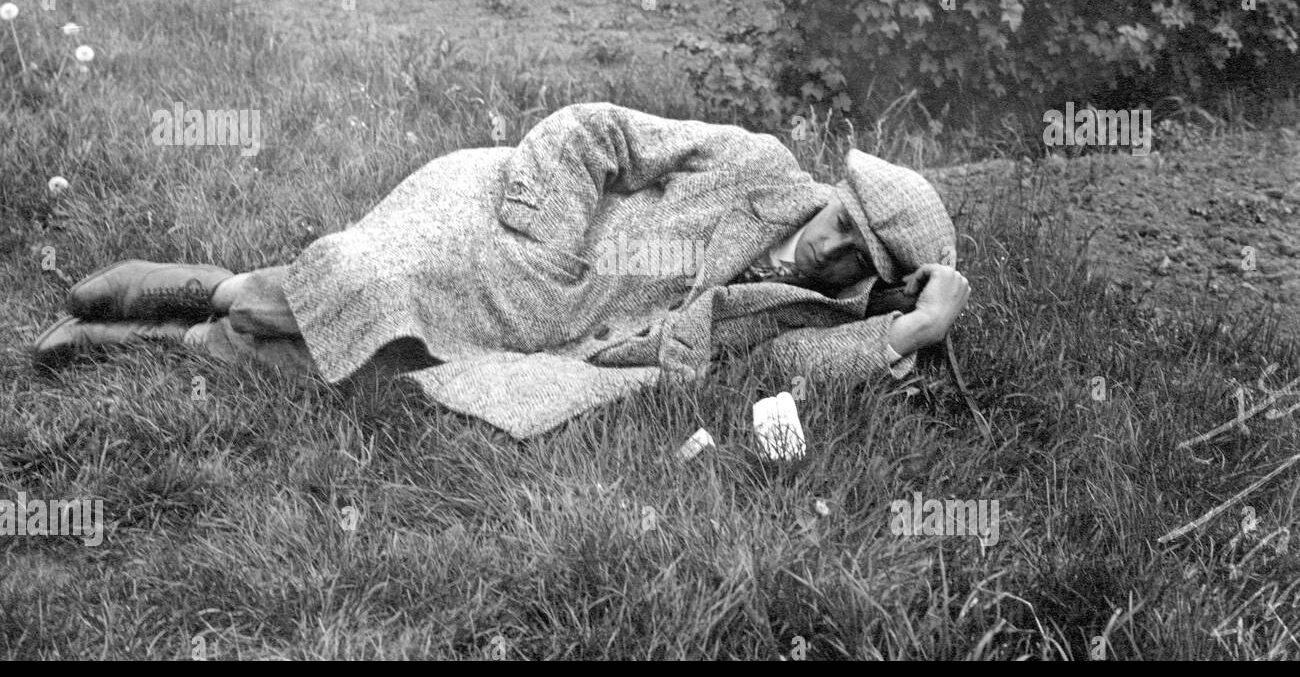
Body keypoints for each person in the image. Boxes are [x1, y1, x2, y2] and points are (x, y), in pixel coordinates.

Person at [31, 103, 970, 438]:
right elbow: (598, 130)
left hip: (553, 343)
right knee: (369, 281)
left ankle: (161, 340)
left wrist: (916, 326)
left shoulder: (828, 312)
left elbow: (788, 386)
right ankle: (205, 287)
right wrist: (546, 242)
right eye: (843, 224)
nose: (832, 251)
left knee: (352, 373)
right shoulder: (757, 164)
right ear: (838, 191)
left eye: (861, 261)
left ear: (880, 279)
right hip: (512, 220)